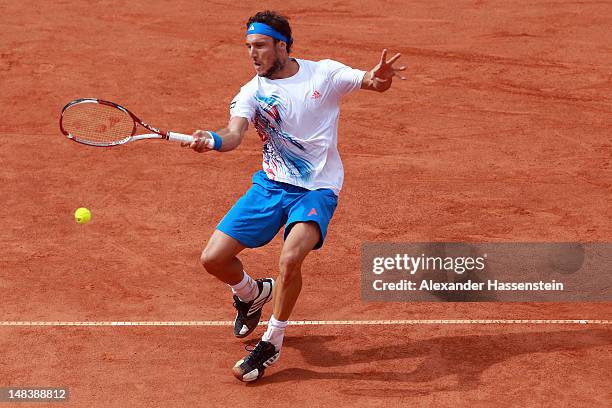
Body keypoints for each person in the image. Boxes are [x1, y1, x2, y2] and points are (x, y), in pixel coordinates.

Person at [184, 10, 405, 382]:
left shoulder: (325, 74)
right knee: (213, 259)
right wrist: (213, 140)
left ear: (281, 46)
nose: (253, 55)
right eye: (249, 47)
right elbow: (234, 133)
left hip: (317, 188)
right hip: (271, 186)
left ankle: (272, 340)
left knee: (291, 257)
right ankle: (252, 292)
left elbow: (370, 81)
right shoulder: (252, 91)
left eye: (260, 47)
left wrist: (380, 79)